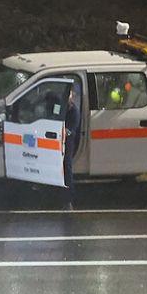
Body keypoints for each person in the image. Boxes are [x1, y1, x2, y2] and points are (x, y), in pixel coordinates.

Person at [63, 80, 83, 211]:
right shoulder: (60, 107)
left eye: (69, 93)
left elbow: (71, 130)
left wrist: (65, 132)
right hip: (58, 143)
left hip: (68, 144)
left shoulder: (74, 111)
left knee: (67, 168)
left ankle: (69, 199)